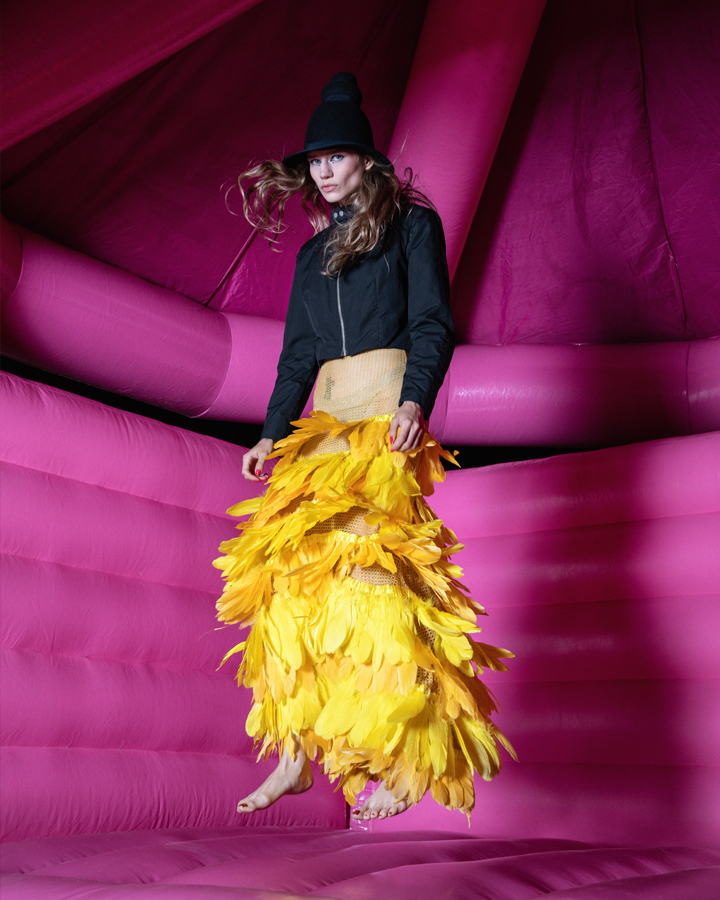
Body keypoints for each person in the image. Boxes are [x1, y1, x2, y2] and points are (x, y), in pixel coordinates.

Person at [214, 72, 514, 822]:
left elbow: (432, 324)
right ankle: (293, 753)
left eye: (336, 156)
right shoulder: (310, 260)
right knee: (289, 582)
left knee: (374, 580)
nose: (322, 169)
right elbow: (296, 357)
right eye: (315, 160)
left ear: (368, 162)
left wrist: (416, 398)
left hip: (383, 413)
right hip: (325, 418)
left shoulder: (413, 227)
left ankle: (409, 761)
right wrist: (269, 432)